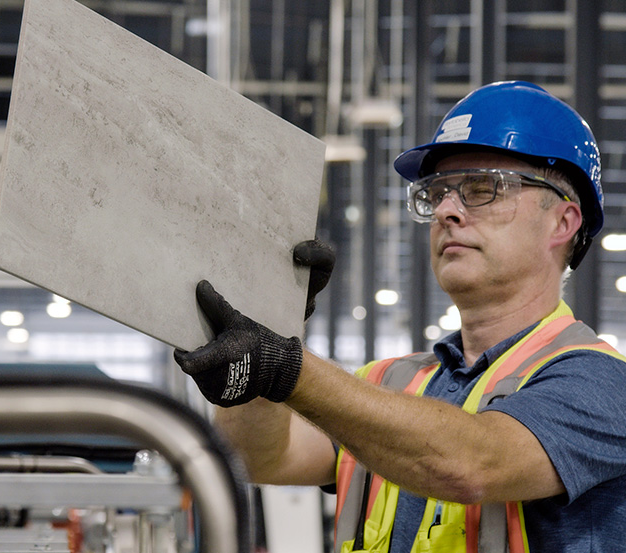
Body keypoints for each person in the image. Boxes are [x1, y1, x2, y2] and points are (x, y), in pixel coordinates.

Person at [173, 81, 626, 552]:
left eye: (481, 188)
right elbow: (258, 457)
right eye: (438, 192)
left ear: (563, 222)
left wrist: (288, 367)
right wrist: (268, 328)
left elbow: (471, 464)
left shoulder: (602, 384)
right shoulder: (389, 383)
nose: (446, 210)